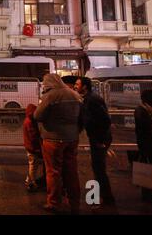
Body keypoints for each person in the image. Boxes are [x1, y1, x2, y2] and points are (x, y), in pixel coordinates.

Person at [34, 74, 82, 215]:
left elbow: (37, 115)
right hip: (72, 138)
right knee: (71, 171)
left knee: (53, 172)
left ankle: (54, 203)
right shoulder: (75, 95)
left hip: (53, 139)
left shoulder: (51, 96)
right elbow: (82, 117)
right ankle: (75, 202)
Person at [75, 77, 115, 207]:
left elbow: (105, 120)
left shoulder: (92, 100)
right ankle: (104, 196)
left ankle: (106, 198)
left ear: (85, 86)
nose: (75, 86)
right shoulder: (88, 99)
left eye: (77, 84)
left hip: (99, 139)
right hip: (97, 138)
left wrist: (100, 140)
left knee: (99, 169)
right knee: (97, 168)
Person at [23, 104, 45, 192]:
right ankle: (31, 183)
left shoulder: (28, 120)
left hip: (29, 147)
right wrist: (39, 148)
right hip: (32, 148)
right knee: (33, 165)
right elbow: (33, 137)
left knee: (32, 165)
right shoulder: (30, 122)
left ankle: (28, 180)